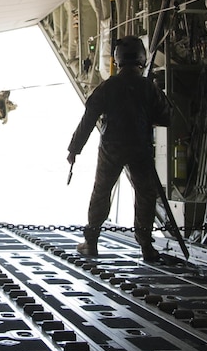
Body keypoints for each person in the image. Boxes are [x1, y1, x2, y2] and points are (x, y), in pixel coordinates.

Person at [67, 36, 172, 261]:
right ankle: (146, 245)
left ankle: (91, 241)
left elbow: (89, 118)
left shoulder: (109, 86)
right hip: (140, 148)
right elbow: (167, 117)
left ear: (118, 59)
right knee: (145, 194)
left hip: (111, 147)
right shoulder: (148, 87)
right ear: (142, 59)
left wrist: (74, 149)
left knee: (102, 191)